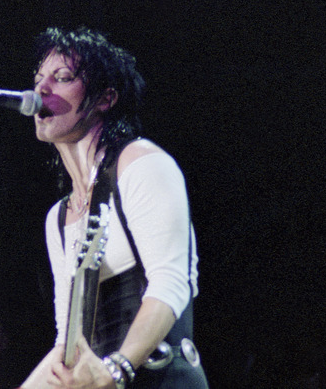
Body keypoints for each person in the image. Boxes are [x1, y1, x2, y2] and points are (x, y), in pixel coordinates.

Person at [20, 27, 209, 389]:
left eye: (62, 78)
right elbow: (68, 344)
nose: (41, 90)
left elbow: (171, 284)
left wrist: (115, 369)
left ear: (105, 99)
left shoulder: (142, 165)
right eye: (39, 78)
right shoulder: (58, 219)